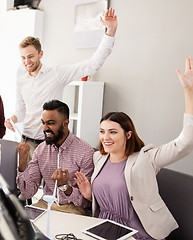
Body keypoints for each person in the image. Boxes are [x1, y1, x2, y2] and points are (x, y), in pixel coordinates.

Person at [74, 58, 193, 239]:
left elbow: (185, 144)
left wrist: (188, 91)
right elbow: (109, 200)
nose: (106, 137)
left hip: (137, 233)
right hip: (104, 229)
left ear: (128, 135)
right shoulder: (99, 158)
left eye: (113, 132)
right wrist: (91, 196)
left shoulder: (146, 158)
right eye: (102, 132)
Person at [5, 8, 118, 162]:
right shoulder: (21, 81)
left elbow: (92, 65)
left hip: (50, 142)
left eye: (30, 56)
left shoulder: (57, 74)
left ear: (40, 54)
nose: (27, 62)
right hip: (27, 141)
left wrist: (110, 30)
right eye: (23, 58)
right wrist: (13, 118)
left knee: (51, 184)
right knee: (26, 184)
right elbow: (22, 110)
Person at [16, 100, 94, 215]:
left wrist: (64, 187)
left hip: (72, 209)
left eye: (51, 123)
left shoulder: (85, 152)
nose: (45, 128)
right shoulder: (41, 150)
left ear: (65, 123)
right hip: (45, 204)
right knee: (19, 225)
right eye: (43, 123)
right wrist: (22, 163)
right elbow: (28, 193)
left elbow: (86, 201)